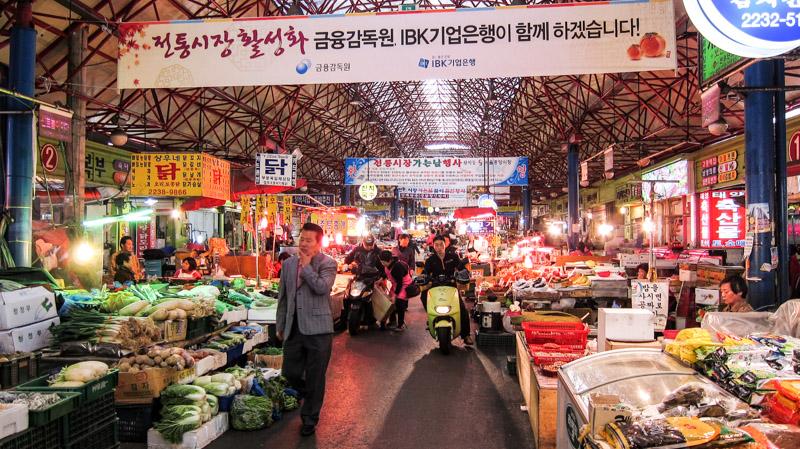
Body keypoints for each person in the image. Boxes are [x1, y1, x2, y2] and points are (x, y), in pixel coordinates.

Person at [276, 223, 338, 437]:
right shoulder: (288, 265)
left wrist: (308, 266)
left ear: (319, 243)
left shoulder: (329, 263)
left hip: (319, 331)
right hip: (294, 328)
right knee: (290, 373)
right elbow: (283, 297)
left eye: (308, 240)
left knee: (316, 375)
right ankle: (305, 393)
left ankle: (309, 419)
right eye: (301, 239)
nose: (303, 243)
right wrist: (281, 325)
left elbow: (322, 288)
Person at [422, 236, 473, 345]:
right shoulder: (430, 260)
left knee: (462, 309)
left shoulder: (453, 256)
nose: (439, 247)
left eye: (441, 244)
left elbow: (460, 267)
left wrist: (464, 273)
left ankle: (466, 335)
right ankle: (431, 316)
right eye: (436, 245)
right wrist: (423, 277)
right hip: (435, 286)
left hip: (451, 285)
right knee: (423, 295)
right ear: (433, 246)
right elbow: (425, 272)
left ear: (445, 245)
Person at [379, 250, 420, 332]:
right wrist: (380, 280)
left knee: (399, 303)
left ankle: (400, 325)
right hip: (395, 285)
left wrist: (395, 295)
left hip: (404, 285)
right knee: (390, 303)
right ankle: (392, 321)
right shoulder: (387, 264)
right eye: (381, 262)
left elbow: (400, 283)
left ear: (390, 260)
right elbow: (385, 274)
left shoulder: (397, 267)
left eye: (384, 262)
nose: (382, 264)